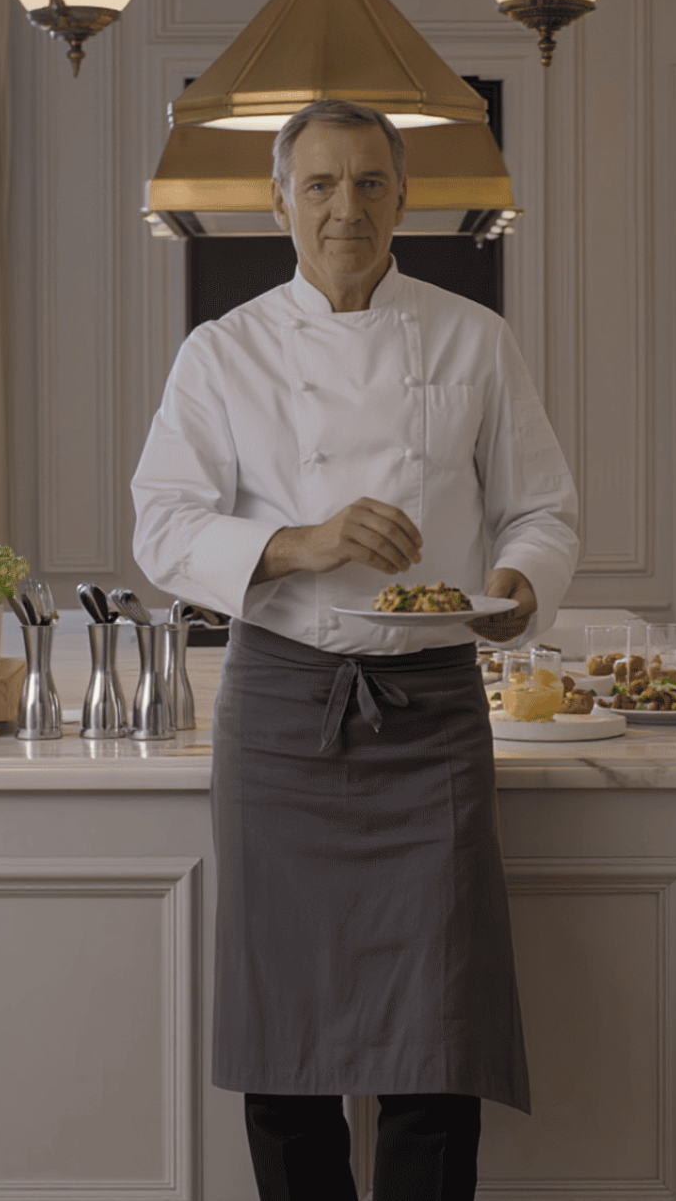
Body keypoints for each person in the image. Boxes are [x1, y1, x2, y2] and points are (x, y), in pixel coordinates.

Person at [131, 98, 580, 1200]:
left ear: (405, 200)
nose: (346, 209)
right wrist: (299, 543)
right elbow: (161, 528)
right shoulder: (221, 352)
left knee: (441, 1036)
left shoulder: (475, 338)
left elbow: (542, 511)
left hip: (431, 708)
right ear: (280, 201)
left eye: (370, 184)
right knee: (284, 1042)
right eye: (320, 185)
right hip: (284, 710)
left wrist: (522, 588)